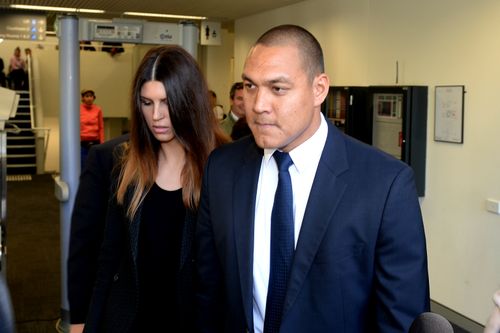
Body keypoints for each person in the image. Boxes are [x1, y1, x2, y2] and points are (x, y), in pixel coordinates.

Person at [195, 24, 429, 333]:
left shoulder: (384, 184)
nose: (258, 105)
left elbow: (401, 318)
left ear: (319, 89)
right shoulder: (222, 169)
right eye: (250, 86)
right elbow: (207, 291)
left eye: (278, 88)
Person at [83, 45, 229, 333]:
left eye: (166, 102)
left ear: (188, 101)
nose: (156, 116)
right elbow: (108, 258)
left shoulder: (222, 166)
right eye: (147, 103)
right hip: (131, 321)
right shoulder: (128, 165)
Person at [67, 133, 129, 333]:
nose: (157, 114)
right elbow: (83, 243)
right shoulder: (108, 157)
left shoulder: (212, 155)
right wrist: (79, 319)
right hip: (122, 309)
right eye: (147, 103)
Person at [80, 89, 104, 170]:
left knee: (95, 166)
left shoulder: (98, 110)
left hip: (95, 142)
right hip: (82, 143)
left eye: (91, 96)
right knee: (83, 165)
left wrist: (102, 142)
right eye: (87, 96)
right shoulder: (78, 109)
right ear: (83, 98)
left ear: (94, 98)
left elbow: (101, 127)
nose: (89, 98)